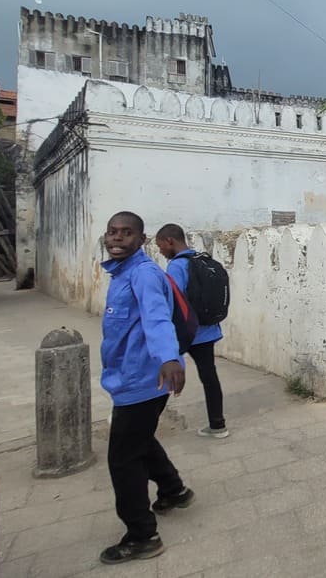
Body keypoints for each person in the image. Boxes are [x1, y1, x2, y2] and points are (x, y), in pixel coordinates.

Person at [98, 211, 193, 564]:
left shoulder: (143, 274)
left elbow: (156, 317)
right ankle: (174, 491)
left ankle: (141, 535)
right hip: (131, 380)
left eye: (126, 233)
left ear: (142, 239)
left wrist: (169, 357)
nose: (117, 239)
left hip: (143, 381)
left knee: (122, 459)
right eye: (112, 232)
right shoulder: (122, 273)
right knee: (140, 440)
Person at [156, 224, 228, 438]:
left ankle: (145, 425)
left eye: (161, 247)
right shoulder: (201, 259)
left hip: (185, 333)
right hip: (208, 331)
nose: (161, 252)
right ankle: (218, 425)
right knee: (209, 377)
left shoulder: (177, 267)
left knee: (165, 374)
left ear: (170, 241)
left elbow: (173, 303)